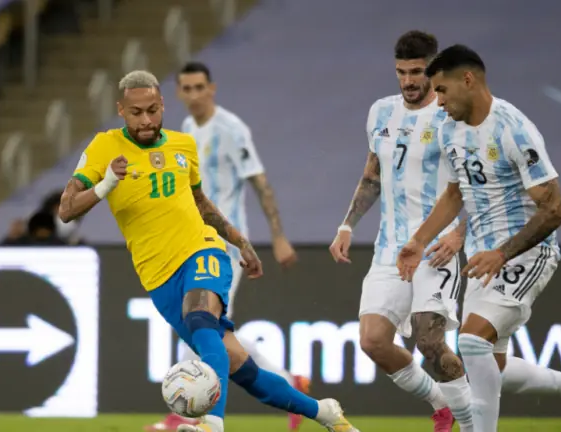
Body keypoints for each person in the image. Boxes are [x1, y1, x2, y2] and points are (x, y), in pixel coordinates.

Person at [59, 70, 359, 432]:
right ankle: (325, 413)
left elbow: (200, 203)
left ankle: (212, 423)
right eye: (136, 113)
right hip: (159, 277)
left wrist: (240, 241)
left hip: (203, 251)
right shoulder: (103, 147)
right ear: (121, 110)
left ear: (162, 104)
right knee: (244, 371)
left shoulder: (183, 145)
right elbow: (66, 209)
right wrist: (105, 184)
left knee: (201, 319)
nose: (146, 120)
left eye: (153, 110)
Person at [397, 45, 561, 432]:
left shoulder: (514, 129)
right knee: (491, 366)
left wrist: (502, 253)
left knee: (472, 344)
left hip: (526, 253)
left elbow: (555, 209)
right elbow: (456, 194)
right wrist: (420, 241)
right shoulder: (448, 130)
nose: (437, 101)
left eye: (442, 90)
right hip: (482, 259)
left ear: (468, 80)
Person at [144, 61, 307, 432]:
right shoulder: (186, 131)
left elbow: (260, 183)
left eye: (199, 87)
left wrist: (278, 236)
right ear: (179, 93)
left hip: (223, 248)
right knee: (213, 330)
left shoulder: (232, 129)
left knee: (197, 323)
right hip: (190, 245)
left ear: (212, 88)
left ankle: (185, 414)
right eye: (186, 88)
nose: (194, 95)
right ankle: (289, 381)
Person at [329, 31, 474, 432]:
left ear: (433, 69)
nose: (408, 81)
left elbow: (477, 185)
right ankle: (442, 404)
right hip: (389, 250)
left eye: (416, 72)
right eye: (401, 72)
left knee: (430, 342)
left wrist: (459, 234)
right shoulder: (381, 113)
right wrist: (347, 224)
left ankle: (473, 425)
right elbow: (372, 175)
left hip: (435, 248)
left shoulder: (450, 116)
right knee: (373, 341)